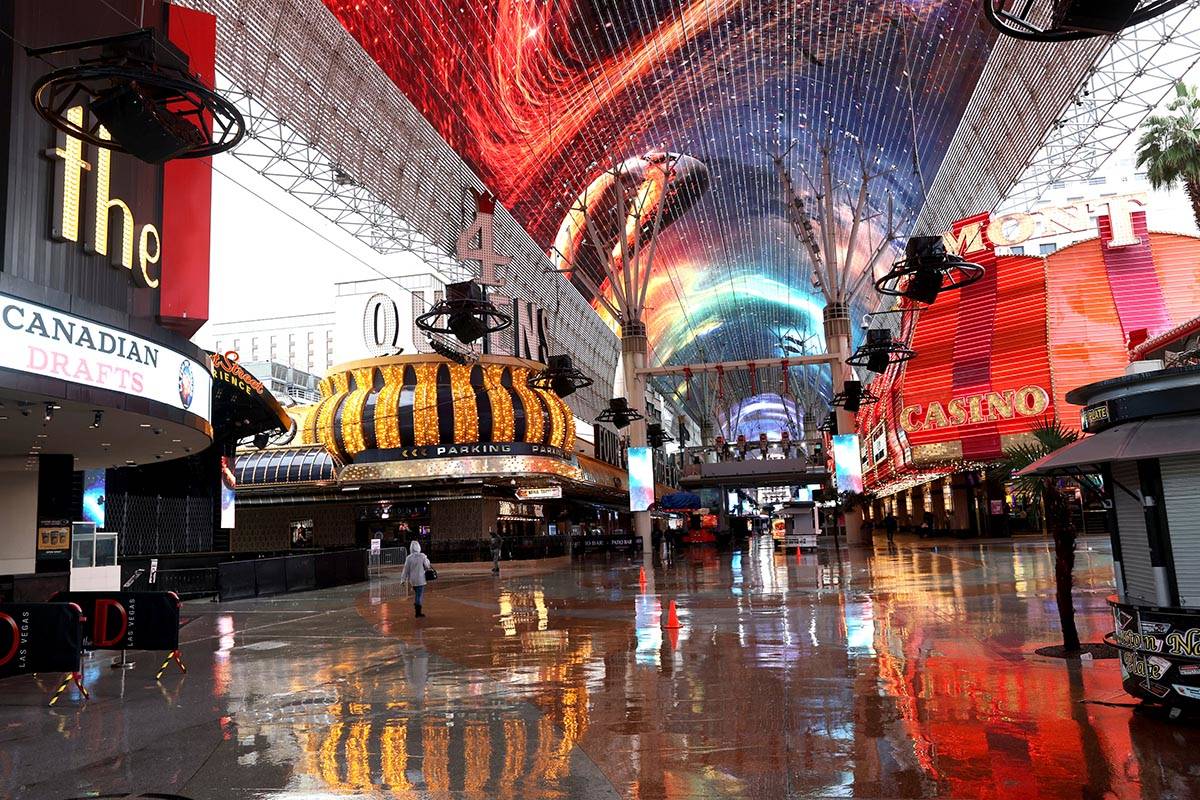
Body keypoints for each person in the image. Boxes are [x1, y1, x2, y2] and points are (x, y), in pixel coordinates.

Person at [401, 541, 432, 618]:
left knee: (417, 593)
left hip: (412, 580)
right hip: (421, 579)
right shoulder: (422, 556)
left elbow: (405, 570)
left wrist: (403, 579)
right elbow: (427, 566)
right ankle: (418, 610)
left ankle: (417, 606)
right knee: (419, 595)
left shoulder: (409, 558)